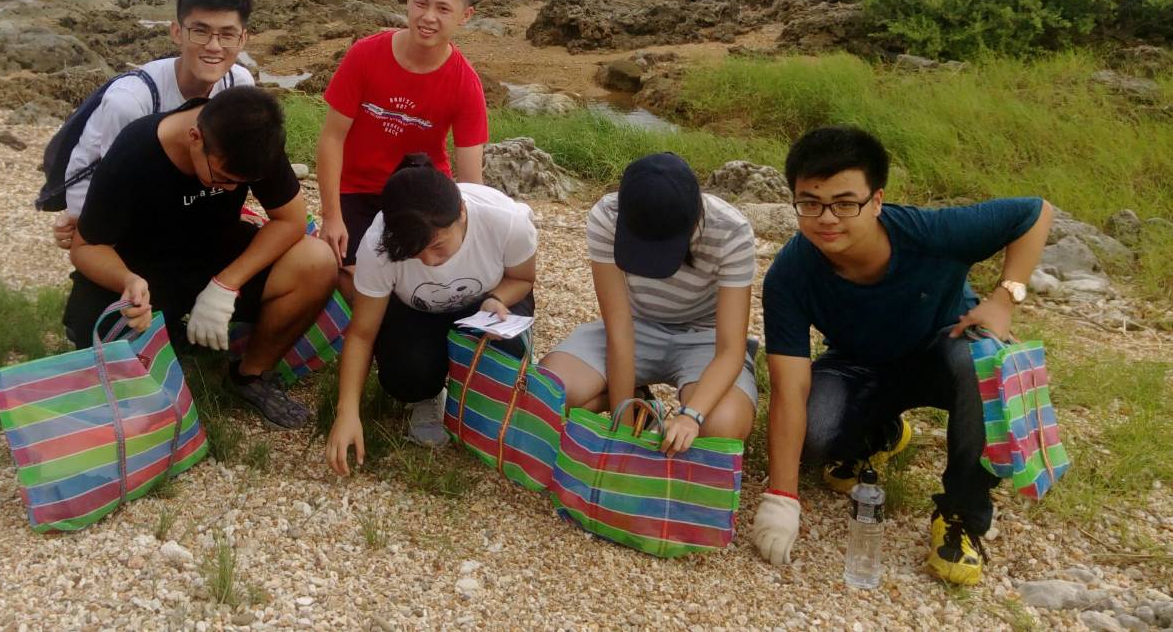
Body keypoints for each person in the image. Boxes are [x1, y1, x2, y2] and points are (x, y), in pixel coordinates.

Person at [748, 126, 1053, 585]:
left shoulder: (932, 234)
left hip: (943, 348)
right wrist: (781, 498)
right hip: (857, 363)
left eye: (845, 203)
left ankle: (960, 517)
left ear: (876, 200)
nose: (827, 218)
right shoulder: (790, 275)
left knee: (982, 365)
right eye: (810, 203)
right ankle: (884, 433)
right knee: (815, 438)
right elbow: (789, 388)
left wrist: (1005, 298)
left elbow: (1034, 212)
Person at [64, 86, 337, 429]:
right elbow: (85, 248)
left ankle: (250, 376)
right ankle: (175, 335)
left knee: (318, 261)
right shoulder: (135, 152)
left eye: (242, 183)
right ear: (195, 138)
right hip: (143, 268)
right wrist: (127, 281)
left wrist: (226, 285)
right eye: (222, 178)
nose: (230, 188)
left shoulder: (254, 140)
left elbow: (291, 220)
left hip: (216, 253)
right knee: (100, 364)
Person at [326, 154, 538, 469]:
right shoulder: (378, 244)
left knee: (507, 356)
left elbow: (522, 279)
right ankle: (428, 396)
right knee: (404, 376)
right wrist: (347, 413)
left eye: (437, 246)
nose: (429, 261)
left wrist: (496, 299)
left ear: (462, 212)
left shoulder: (507, 221)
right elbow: (361, 333)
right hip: (418, 310)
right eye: (414, 252)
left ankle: (478, 397)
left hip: (487, 302)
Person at [542, 152, 758, 454]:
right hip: (636, 325)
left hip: (704, 338)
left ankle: (642, 406)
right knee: (547, 393)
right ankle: (638, 402)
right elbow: (619, 328)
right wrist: (623, 429)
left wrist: (690, 417)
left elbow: (730, 348)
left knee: (721, 427)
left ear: (696, 217)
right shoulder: (609, 215)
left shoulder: (731, 230)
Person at [316, 0, 489, 296]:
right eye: (421, 3)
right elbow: (332, 138)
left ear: (465, 16)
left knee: (424, 278)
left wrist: (471, 239)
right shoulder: (364, 55)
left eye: (443, 9)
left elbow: (471, 181)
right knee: (350, 272)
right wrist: (331, 216)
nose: (428, 17)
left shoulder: (465, 83)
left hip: (421, 193)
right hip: (356, 189)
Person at [50, 0, 256, 249]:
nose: (213, 46)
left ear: (243, 39)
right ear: (177, 32)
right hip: (105, 205)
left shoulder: (238, 85)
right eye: (200, 31)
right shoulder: (131, 101)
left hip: (177, 197)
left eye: (227, 35)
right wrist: (83, 226)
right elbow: (117, 187)